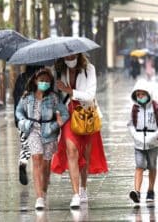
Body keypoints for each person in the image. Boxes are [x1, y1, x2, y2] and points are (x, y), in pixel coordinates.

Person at [51, 53, 108, 209]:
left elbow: (90, 96)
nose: (70, 58)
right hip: (67, 114)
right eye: (66, 56)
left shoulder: (89, 69)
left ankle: (83, 187)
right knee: (71, 151)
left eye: (72, 55)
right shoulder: (58, 70)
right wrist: (57, 113)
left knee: (85, 154)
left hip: (86, 115)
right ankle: (75, 194)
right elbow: (55, 95)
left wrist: (70, 91)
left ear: (78, 54)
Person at [15, 68, 69, 210]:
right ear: (35, 80)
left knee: (46, 165)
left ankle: (43, 191)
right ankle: (39, 197)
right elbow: (18, 111)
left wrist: (58, 123)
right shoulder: (27, 96)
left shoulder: (54, 97)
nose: (44, 83)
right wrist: (23, 123)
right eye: (41, 80)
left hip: (50, 132)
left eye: (46, 80)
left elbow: (65, 113)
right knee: (37, 159)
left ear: (50, 82)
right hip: (33, 131)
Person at [127, 79, 158, 204]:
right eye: (138, 94)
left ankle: (150, 191)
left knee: (152, 166)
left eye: (143, 94)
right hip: (138, 144)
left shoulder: (156, 108)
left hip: (153, 144)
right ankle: (137, 192)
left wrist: (155, 135)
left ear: (148, 94)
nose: (140, 97)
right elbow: (130, 124)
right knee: (139, 166)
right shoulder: (135, 109)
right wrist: (135, 135)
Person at [13, 65, 42, 185]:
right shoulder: (42, 79)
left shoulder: (21, 78)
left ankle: (23, 163)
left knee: (25, 146)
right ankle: (39, 173)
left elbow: (16, 99)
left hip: (22, 119)